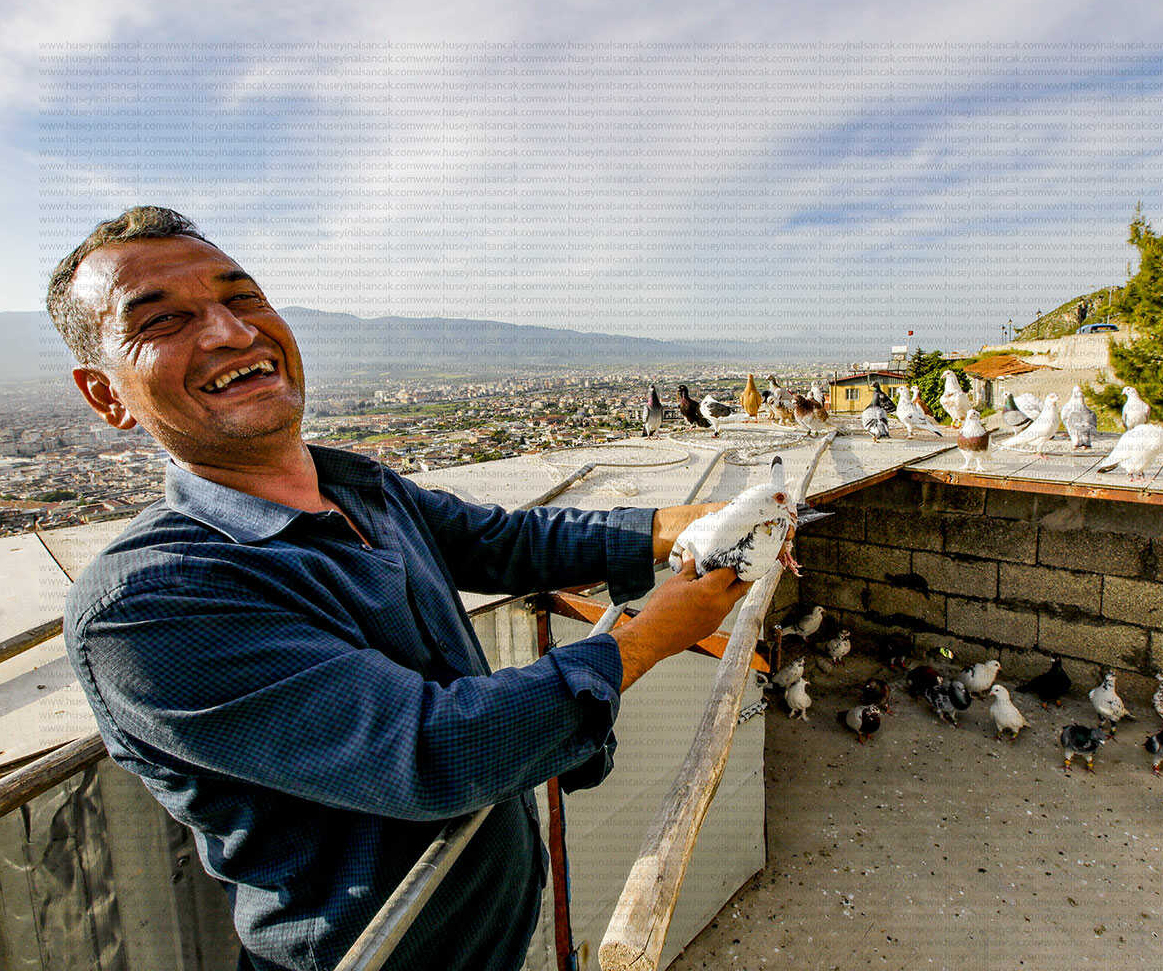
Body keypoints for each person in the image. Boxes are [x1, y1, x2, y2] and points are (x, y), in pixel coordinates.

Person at [47, 206, 752, 970]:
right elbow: (430, 751)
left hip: (492, 936)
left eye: (242, 297)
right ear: (106, 395)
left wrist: (680, 525)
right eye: (162, 320)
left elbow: (500, 543)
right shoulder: (152, 603)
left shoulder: (359, 489)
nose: (231, 331)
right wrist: (644, 640)